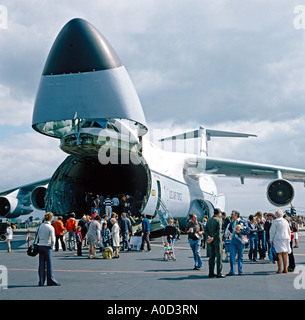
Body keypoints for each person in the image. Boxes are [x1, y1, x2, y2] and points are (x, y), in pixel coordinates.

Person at [36, 212, 60, 286]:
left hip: (40, 246)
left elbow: (37, 237)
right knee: (49, 265)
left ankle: (41, 281)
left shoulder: (40, 226)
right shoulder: (51, 227)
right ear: (51, 218)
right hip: (47, 246)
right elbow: (53, 239)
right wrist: (52, 246)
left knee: (41, 265)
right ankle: (51, 281)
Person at [226, 210, 249, 276]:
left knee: (240, 256)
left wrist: (241, 231)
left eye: (232, 214)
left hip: (240, 240)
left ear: (236, 215)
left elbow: (247, 230)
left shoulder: (242, 222)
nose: (231, 215)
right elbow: (230, 229)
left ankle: (240, 271)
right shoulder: (231, 222)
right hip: (233, 239)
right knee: (232, 255)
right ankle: (232, 271)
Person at [270, 209, 291, 274]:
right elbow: (289, 231)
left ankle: (279, 268)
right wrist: (289, 238)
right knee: (285, 253)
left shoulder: (275, 222)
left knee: (279, 253)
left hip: (278, 238)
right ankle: (285, 268)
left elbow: (272, 232)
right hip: (286, 238)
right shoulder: (286, 221)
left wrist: (271, 239)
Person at [205, 208, 225, 278]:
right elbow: (218, 231)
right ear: (219, 213)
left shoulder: (209, 220)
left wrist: (209, 237)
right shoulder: (218, 220)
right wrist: (213, 237)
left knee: (212, 257)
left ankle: (211, 272)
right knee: (219, 256)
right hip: (217, 240)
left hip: (210, 241)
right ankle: (219, 272)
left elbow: (206, 230)